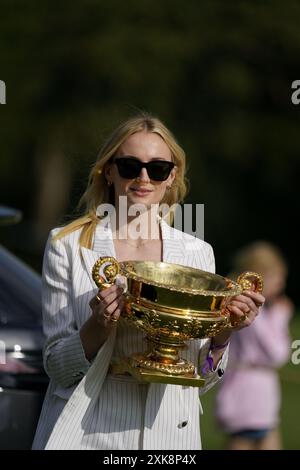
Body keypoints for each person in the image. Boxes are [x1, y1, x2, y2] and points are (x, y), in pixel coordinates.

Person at [32, 113, 265, 450]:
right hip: (90, 432)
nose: (143, 177)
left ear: (172, 176)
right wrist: (98, 325)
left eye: (157, 169)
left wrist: (223, 332)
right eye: (129, 165)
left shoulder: (197, 254)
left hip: (171, 438)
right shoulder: (67, 246)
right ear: (109, 171)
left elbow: (202, 378)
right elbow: (56, 367)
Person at [215, 241, 293, 450]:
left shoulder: (261, 312)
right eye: (277, 277)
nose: (281, 284)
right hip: (247, 398)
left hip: (261, 399)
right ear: (260, 277)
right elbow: (276, 353)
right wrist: (281, 317)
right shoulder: (251, 313)